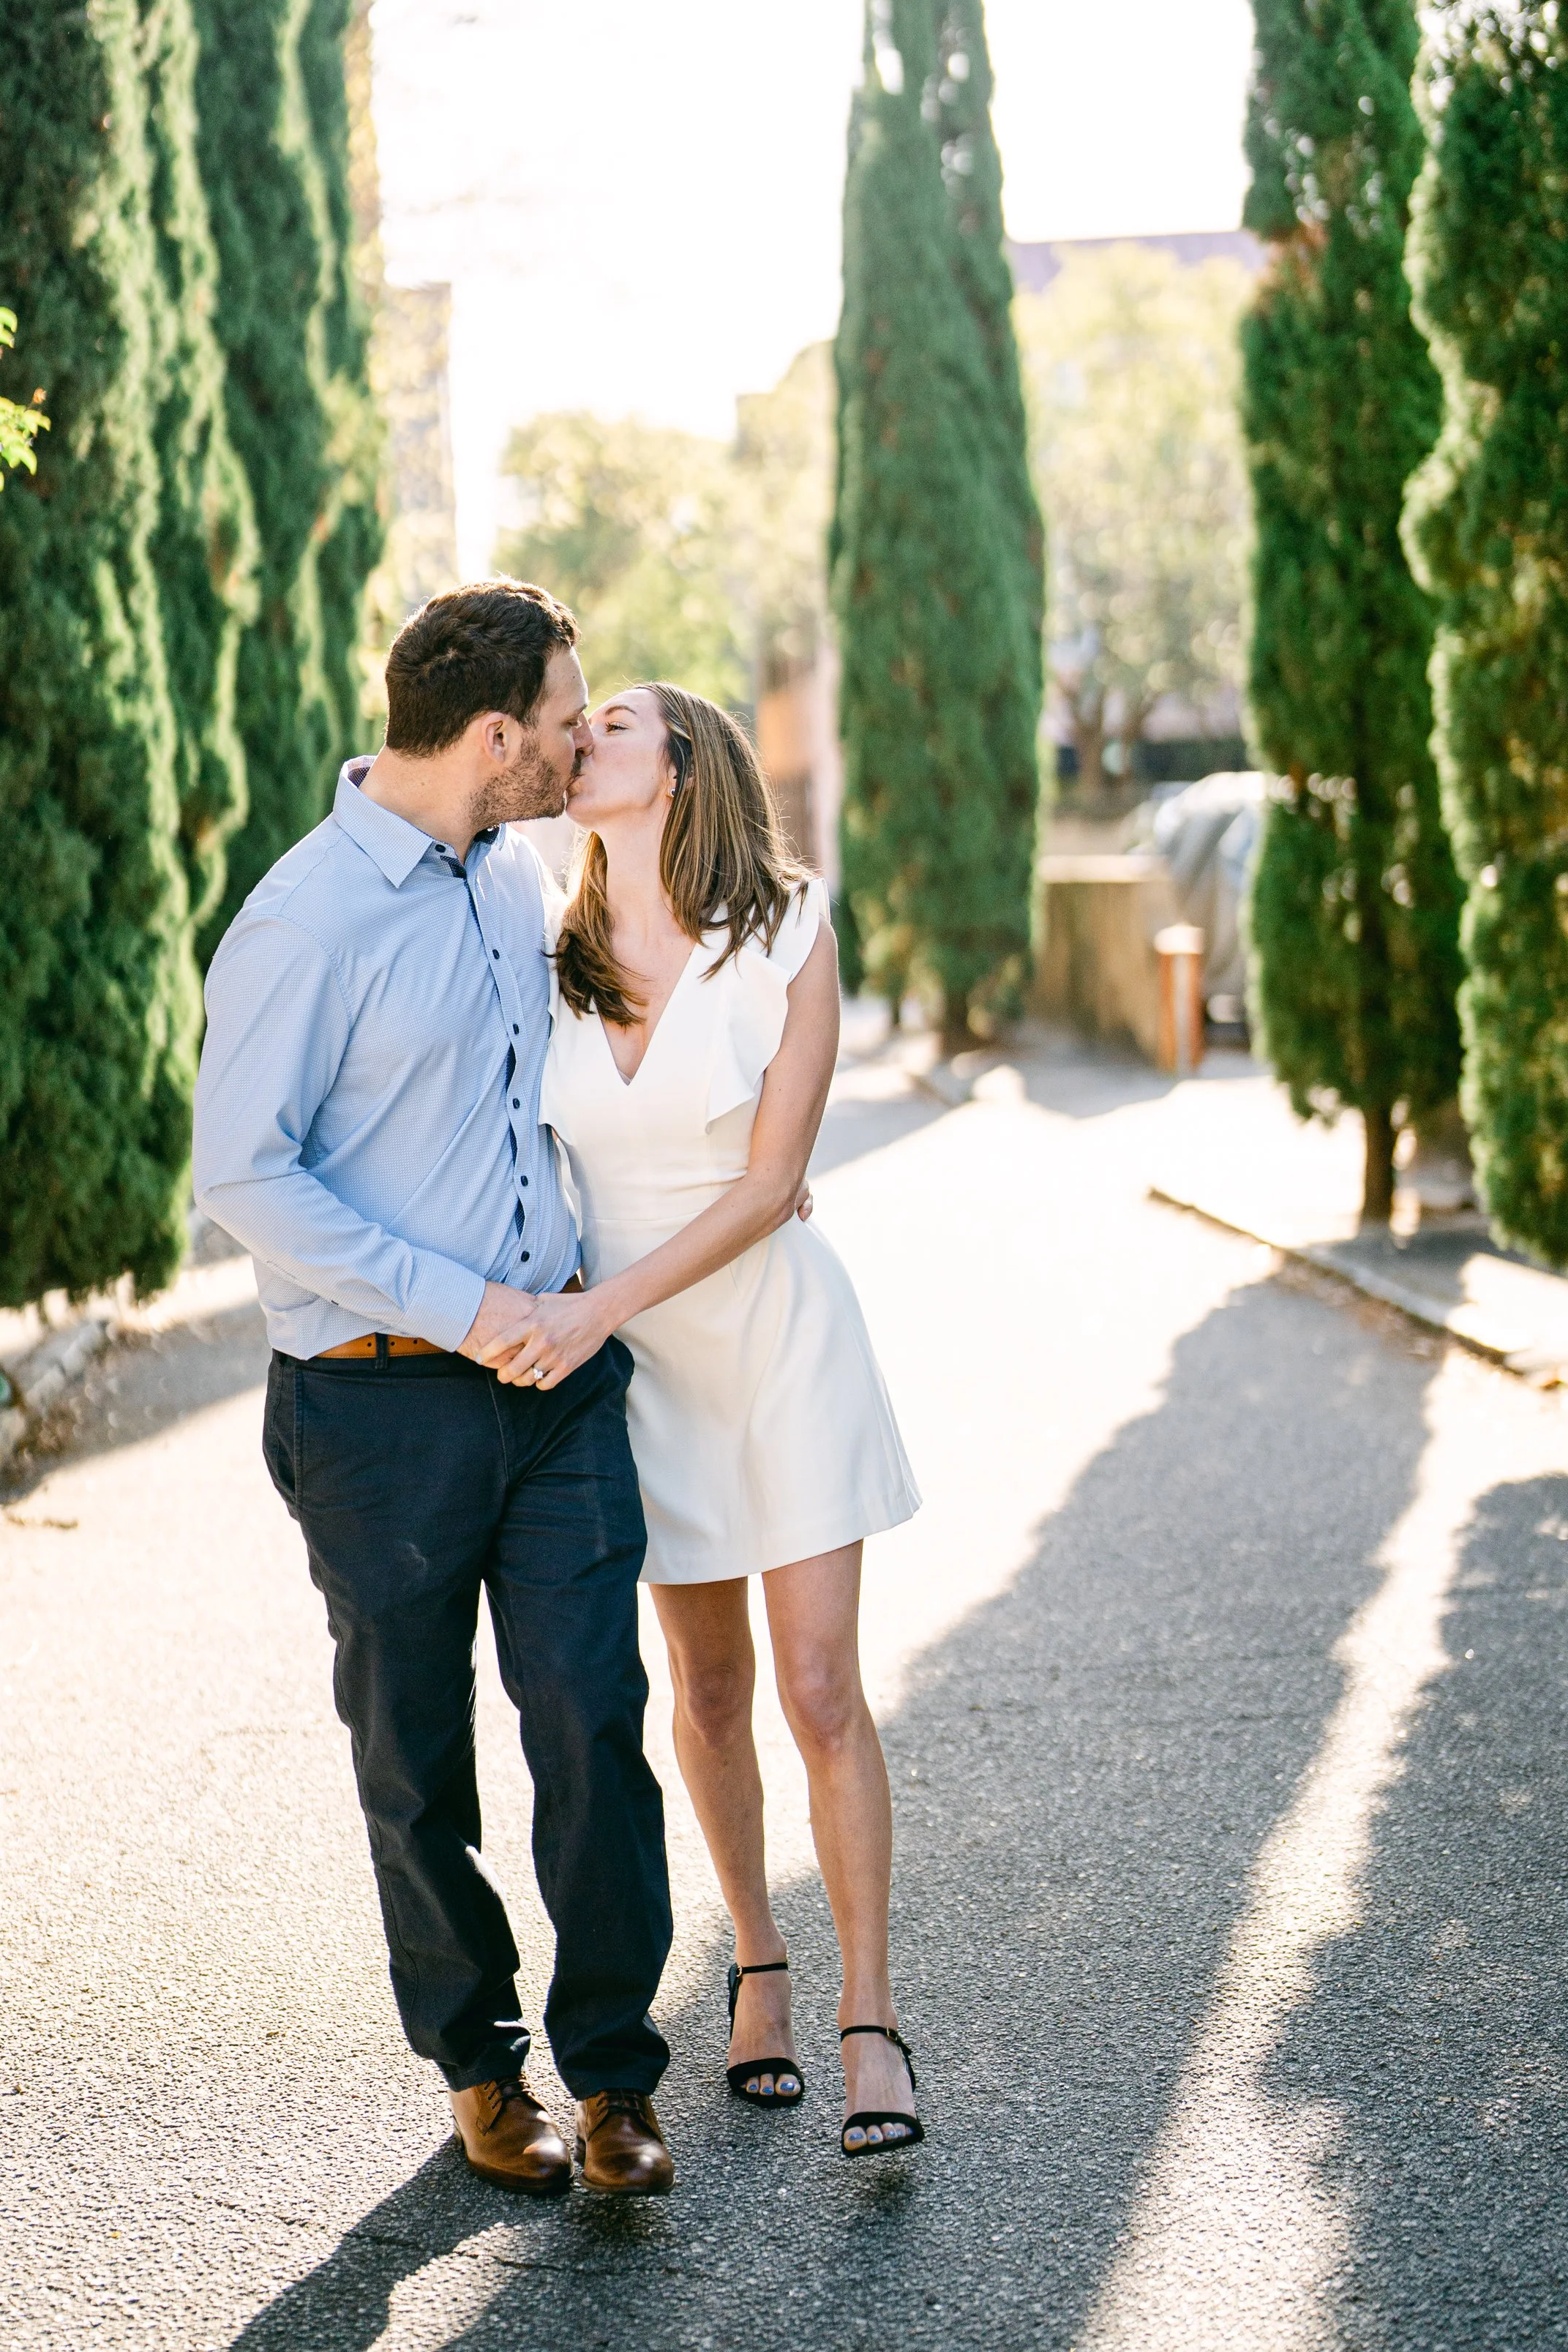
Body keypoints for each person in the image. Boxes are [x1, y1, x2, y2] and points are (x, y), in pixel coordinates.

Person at [191, 583, 675, 2199]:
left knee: (594, 1717)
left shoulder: (513, 876)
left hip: (554, 1384)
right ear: (489, 737)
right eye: (560, 722)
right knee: (416, 1757)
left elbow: (564, 1091)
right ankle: (478, 2062)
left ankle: (614, 2075)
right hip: (376, 1407)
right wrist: (457, 1308)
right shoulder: (302, 920)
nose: (575, 744)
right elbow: (243, 1176)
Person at [477, 683, 926, 2159]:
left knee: (814, 1686)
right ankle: (759, 1966)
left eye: (604, 721)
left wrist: (594, 1309)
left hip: (776, 1341)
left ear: (678, 767)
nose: (572, 739)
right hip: (636, 1372)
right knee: (711, 1691)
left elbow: (764, 1181)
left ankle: (869, 2018)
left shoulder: (784, 932)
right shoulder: (538, 943)